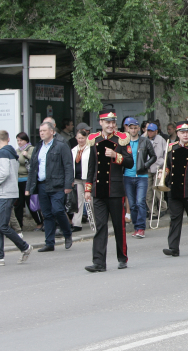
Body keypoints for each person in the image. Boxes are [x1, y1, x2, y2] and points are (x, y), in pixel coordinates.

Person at [83, 110, 134, 272]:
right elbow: (92, 166)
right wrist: (88, 188)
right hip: (99, 190)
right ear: (101, 123)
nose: (111, 125)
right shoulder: (94, 140)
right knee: (100, 227)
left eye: (113, 122)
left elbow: (130, 162)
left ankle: (122, 257)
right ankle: (99, 262)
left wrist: (116, 155)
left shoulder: (121, 139)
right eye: (107, 122)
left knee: (119, 226)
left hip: (115, 190)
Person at [25, 122, 74, 252]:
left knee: (57, 210)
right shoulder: (39, 146)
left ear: (52, 132)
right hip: (42, 185)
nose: (41, 133)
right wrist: (28, 187)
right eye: (40, 130)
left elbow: (68, 165)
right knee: (46, 214)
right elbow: (33, 168)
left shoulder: (61, 145)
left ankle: (67, 233)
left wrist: (68, 184)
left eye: (44, 130)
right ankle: (49, 242)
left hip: (57, 184)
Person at [161, 120, 188, 257]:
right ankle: (173, 247)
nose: (185, 135)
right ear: (177, 134)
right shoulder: (171, 148)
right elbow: (167, 165)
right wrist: (164, 173)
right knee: (174, 219)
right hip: (174, 188)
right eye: (182, 132)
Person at [0, 130, 33, 266]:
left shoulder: (3, 153)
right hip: (9, 192)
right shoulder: (11, 152)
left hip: (4, 193)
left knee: (3, 226)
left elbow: (3, 173)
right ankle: (0, 257)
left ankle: (25, 247)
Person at [123, 117, 157, 238]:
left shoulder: (144, 141)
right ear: (127, 128)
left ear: (138, 128)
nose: (133, 130)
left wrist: (145, 165)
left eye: (135, 128)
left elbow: (153, 156)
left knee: (140, 202)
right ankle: (136, 227)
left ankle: (141, 228)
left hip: (141, 175)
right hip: (127, 176)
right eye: (130, 128)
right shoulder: (124, 142)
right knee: (132, 204)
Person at [14, 132, 42, 231]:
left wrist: (27, 156)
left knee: (30, 202)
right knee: (18, 203)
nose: (19, 142)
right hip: (18, 179)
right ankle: (19, 224)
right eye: (17, 140)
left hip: (27, 179)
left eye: (21, 140)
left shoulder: (31, 149)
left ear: (26, 140)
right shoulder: (17, 151)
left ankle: (39, 222)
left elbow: (36, 161)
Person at [70, 130, 92, 232]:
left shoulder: (90, 149)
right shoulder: (74, 150)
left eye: (82, 138)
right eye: (78, 138)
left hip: (87, 178)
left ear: (86, 138)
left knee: (90, 200)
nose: (80, 140)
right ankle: (76, 223)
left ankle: (94, 221)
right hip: (77, 178)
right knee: (78, 201)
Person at [145, 122, 167, 218]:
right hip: (147, 167)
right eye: (148, 131)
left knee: (157, 189)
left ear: (156, 131)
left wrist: (162, 164)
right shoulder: (144, 139)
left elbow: (165, 154)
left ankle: (163, 208)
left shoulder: (161, 140)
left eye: (152, 131)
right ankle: (152, 211)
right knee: (148, 192)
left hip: (158, 167)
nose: (150, 133)